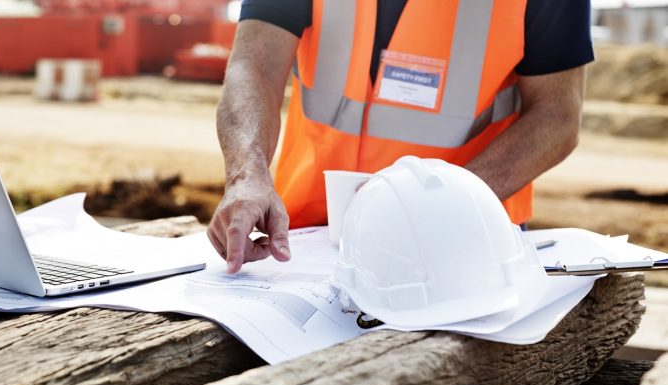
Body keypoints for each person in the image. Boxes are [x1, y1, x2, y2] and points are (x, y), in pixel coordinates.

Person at [208, 0, 594, 273]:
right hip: (308, 239)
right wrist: (247, 177)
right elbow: (254, 65)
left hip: (462, 240)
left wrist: (438, 206)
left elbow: (557, 116)